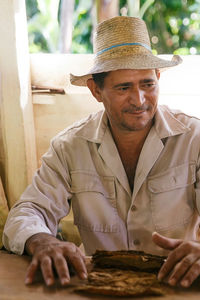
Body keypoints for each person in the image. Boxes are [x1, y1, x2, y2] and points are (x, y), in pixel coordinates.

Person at [3, 16, 200, 289]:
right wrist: (42, 240)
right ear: (96, 90)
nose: (139, 100)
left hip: (176, 286)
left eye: (147, 84)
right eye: (123, 88)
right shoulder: (69, 146)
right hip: (98, 287)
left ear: (158, 77)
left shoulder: (194, 139)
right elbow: (28, 210)